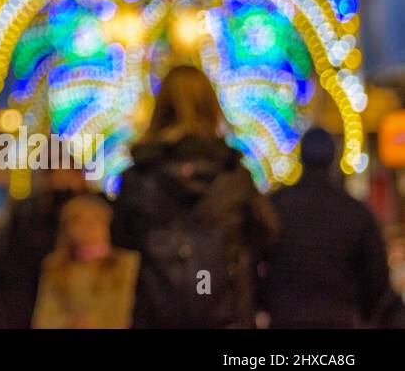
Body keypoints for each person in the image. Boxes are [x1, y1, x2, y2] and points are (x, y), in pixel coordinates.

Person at [112, 65, 277, 328]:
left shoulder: (139, 177)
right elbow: (266, 232)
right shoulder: (233, 176)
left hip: (156, 317)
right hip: (225, 315)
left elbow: (120, 238)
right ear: (211, 107)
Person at [258, 127, 403, 328]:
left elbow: (255, 259)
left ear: (302, 157)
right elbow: (376, 277)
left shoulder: (277, 205)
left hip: (286, 317)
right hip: (338, 318)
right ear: (333, 158)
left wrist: (265, 303)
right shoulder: (355, 212)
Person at [0, 165, 88, 328]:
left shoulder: (92, 210)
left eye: (69, 173)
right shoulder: (29, 213)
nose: (62, 179)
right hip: (27, 302)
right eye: (56, 173)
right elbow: (9, 261)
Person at [32, 194, 139, 328]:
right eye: (78, 221)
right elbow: (44, 318)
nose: (87, 228)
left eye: (94, 220)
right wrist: (70, 323)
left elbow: (124, 313)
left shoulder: (126, 264)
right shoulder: (56, 266)